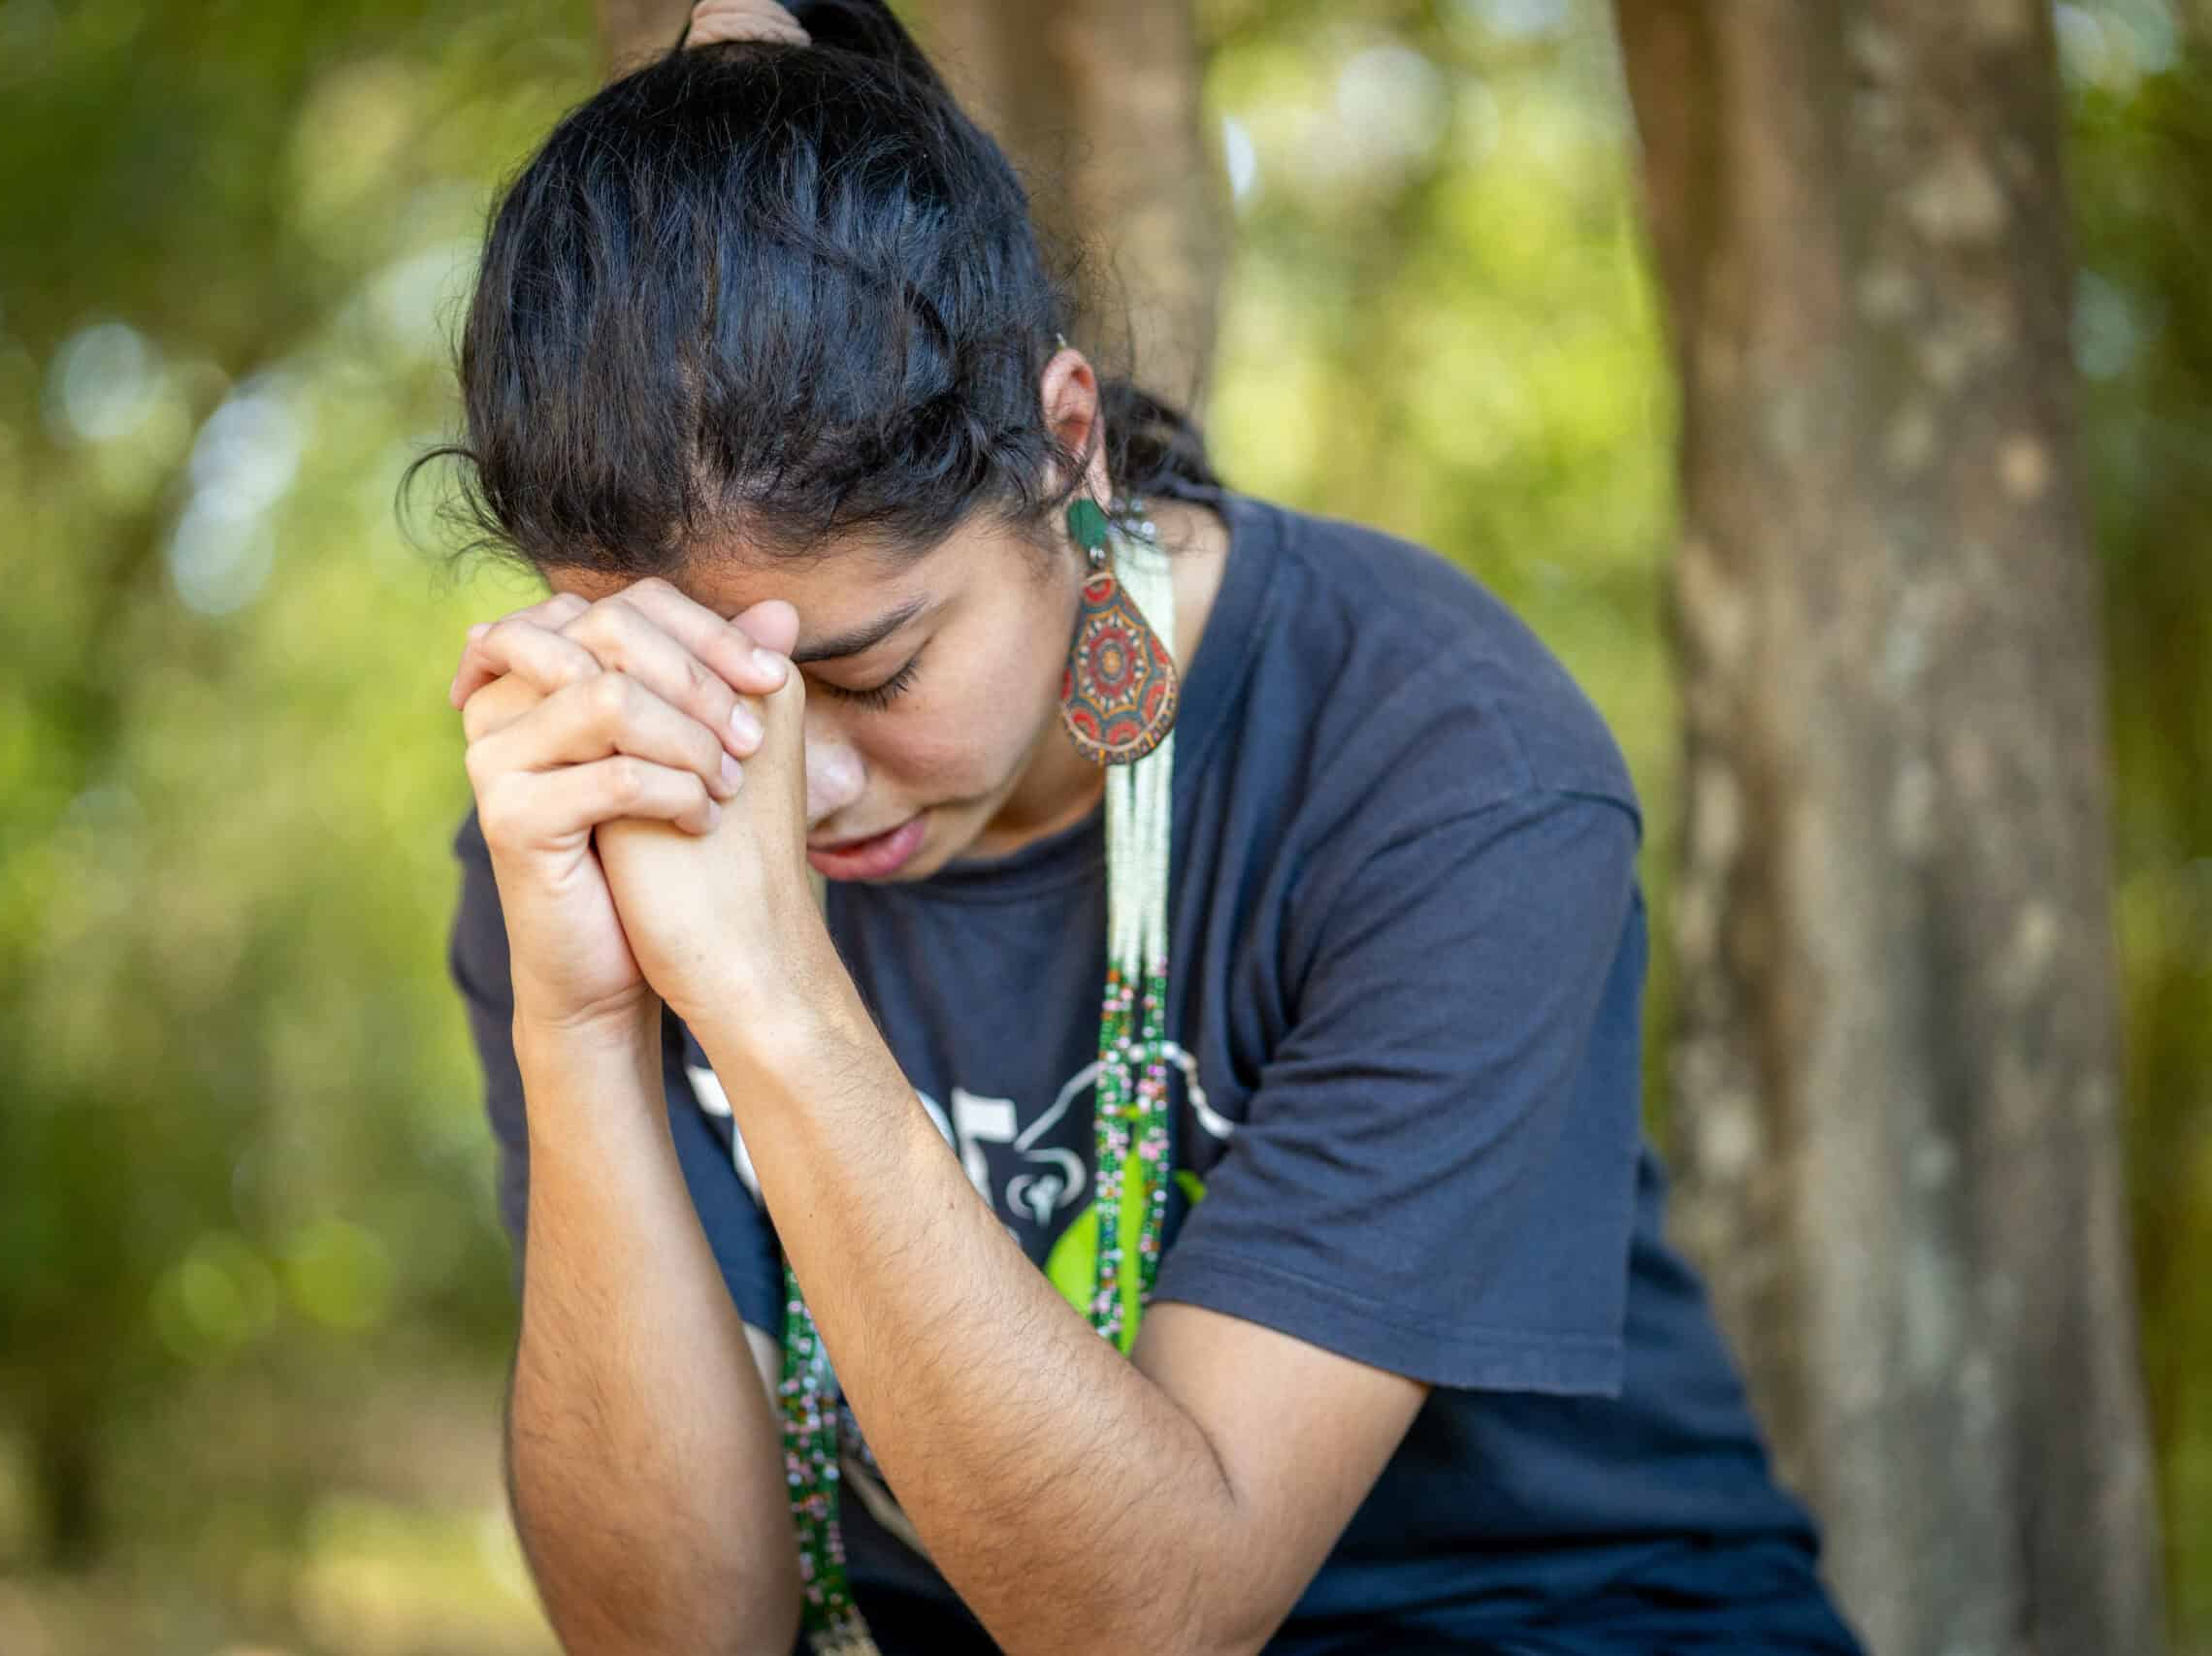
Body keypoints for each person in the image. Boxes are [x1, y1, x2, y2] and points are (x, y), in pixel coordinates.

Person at [423, 2, 1869, 1652]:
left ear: (1065, 443)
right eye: (706, 693)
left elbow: (1151, 1624)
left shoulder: (1441, 764)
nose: (791, 790)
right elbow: (674, 1639)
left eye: (873, 667)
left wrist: (772, 1001)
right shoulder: (599, 798)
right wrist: (584, 1024)